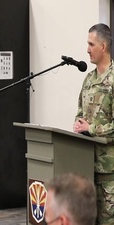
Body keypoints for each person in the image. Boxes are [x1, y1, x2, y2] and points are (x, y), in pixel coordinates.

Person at [73, 23, 114, 225]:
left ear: (103, 47)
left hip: (109, 172)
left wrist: (90, 129)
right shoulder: (88, 79)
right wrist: (78, 124)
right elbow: (79, 112)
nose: (87, 49)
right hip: (87, 164)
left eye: (91, 44)